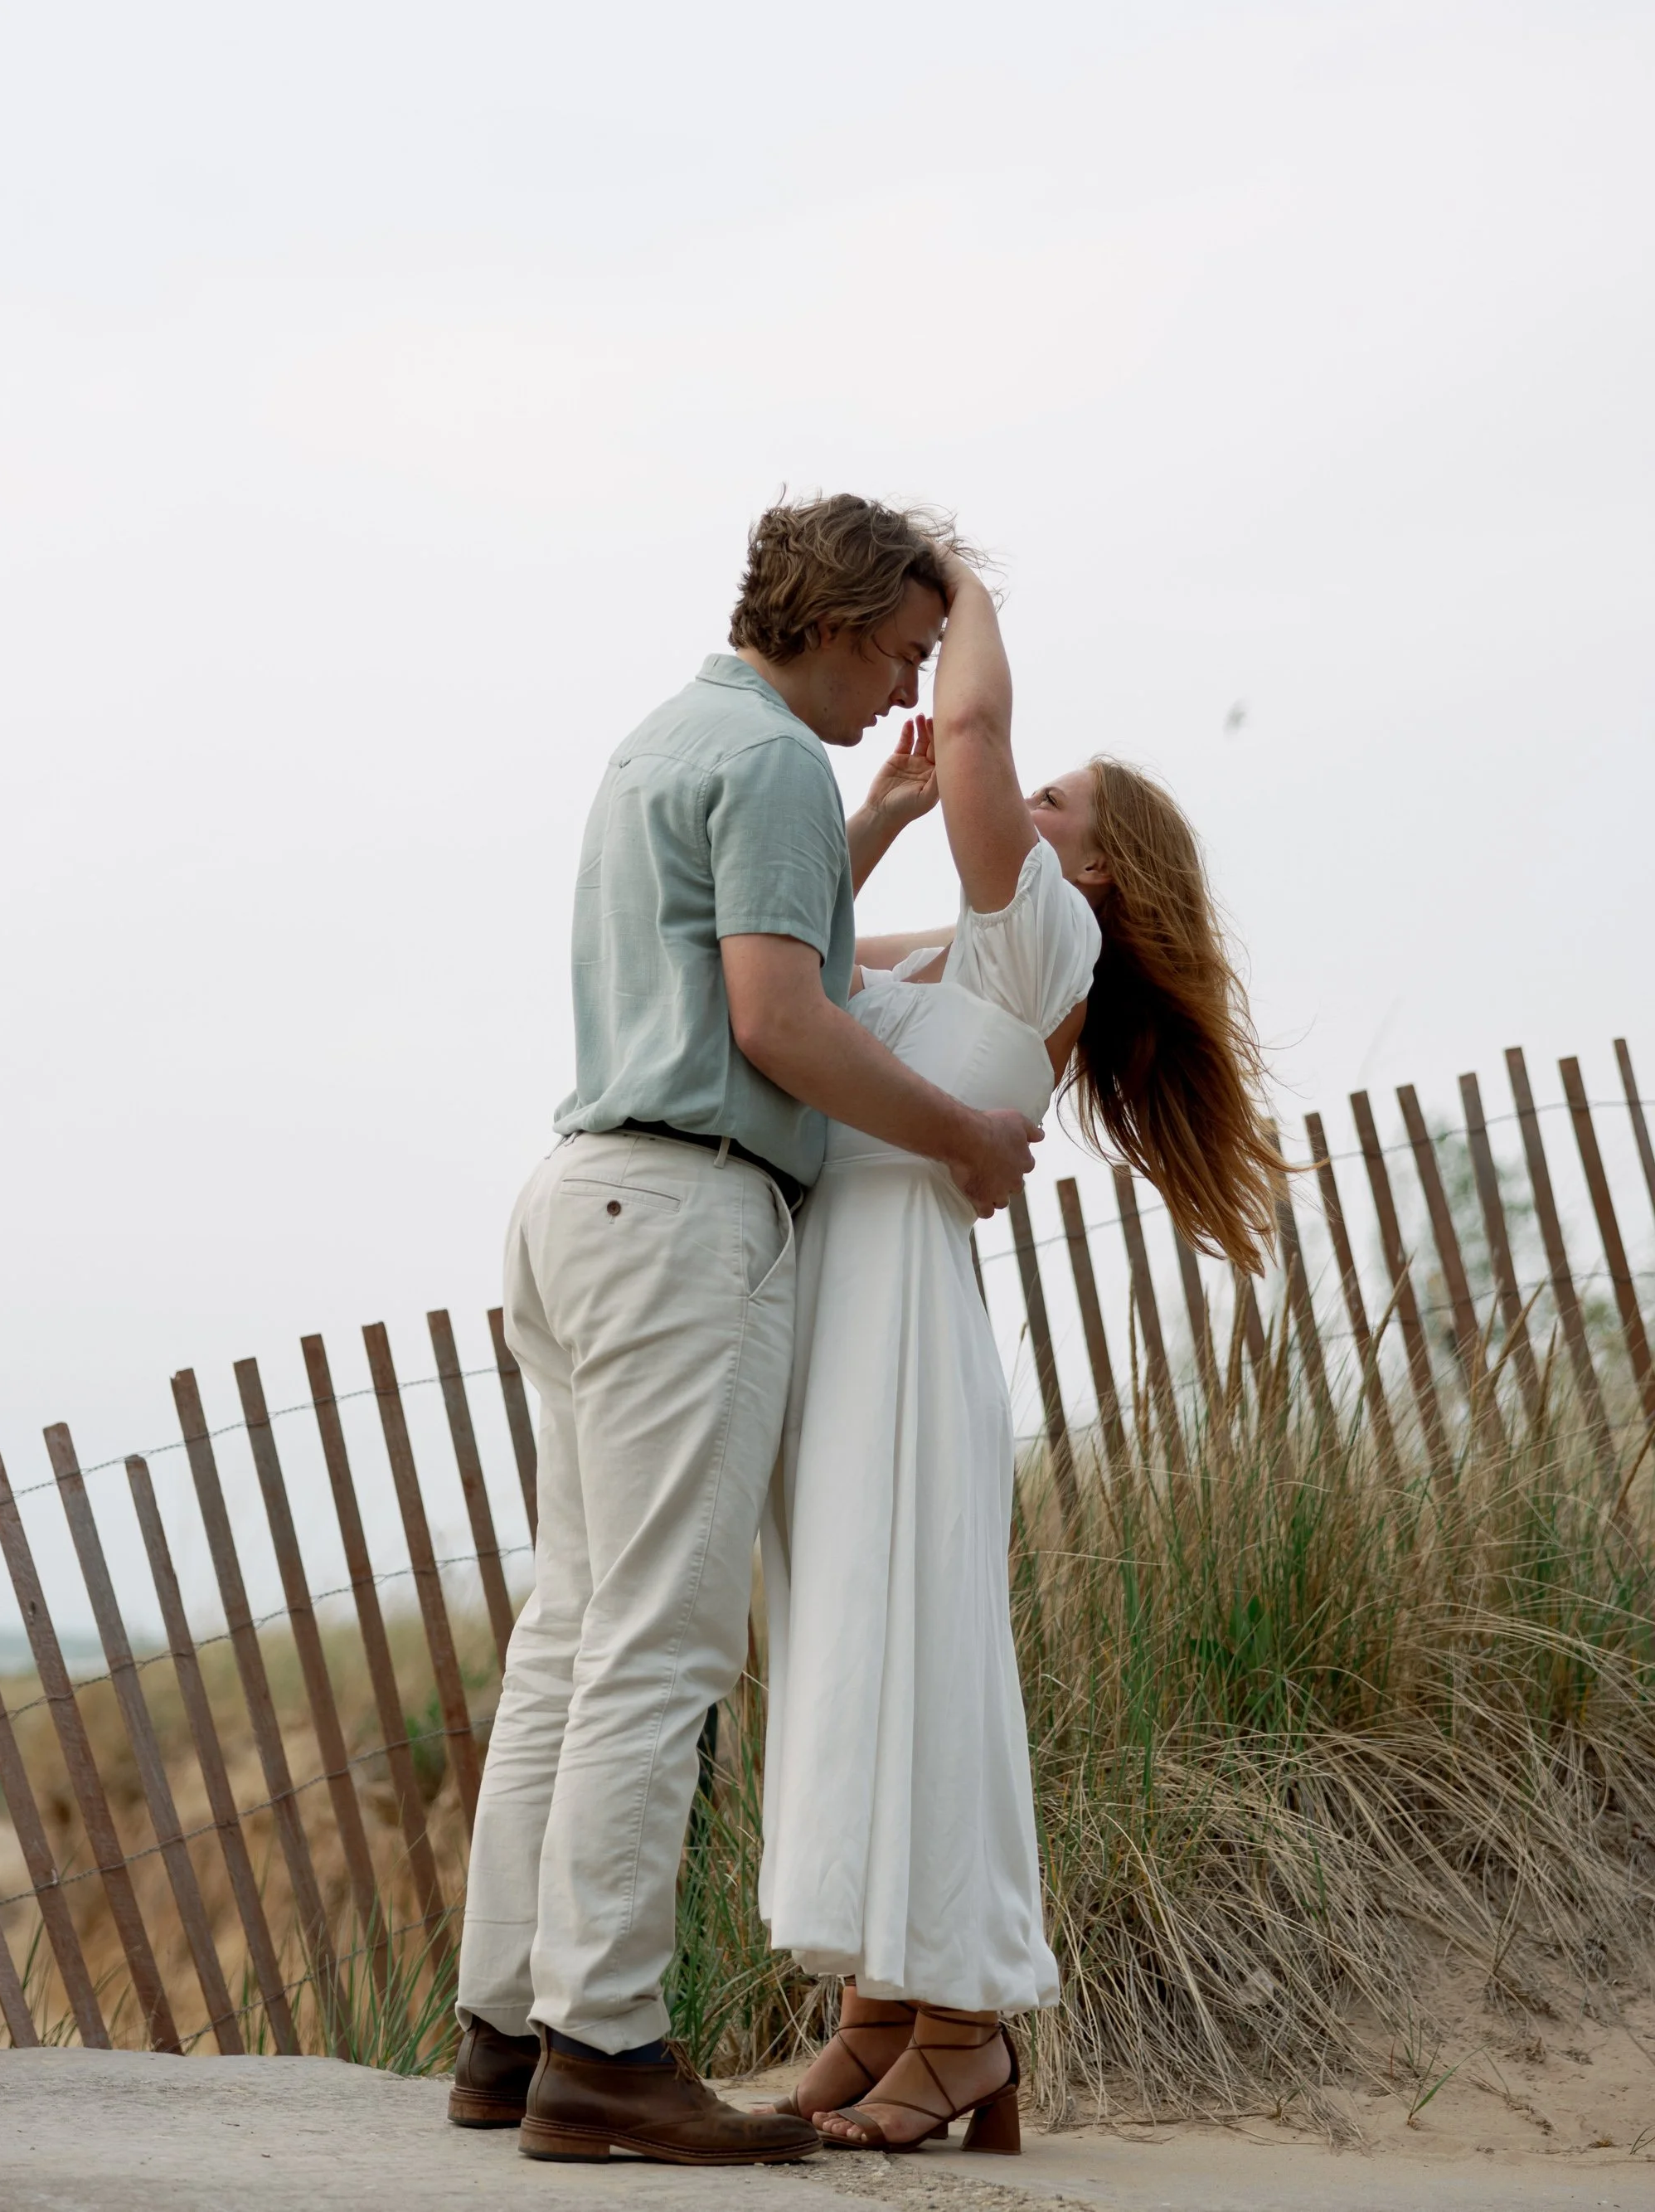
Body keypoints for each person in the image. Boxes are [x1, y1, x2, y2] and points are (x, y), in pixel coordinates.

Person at [447, 495, 1041, 2166]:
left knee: (572, 1633)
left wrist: (877, 823)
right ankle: (606, 2047)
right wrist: (962, 1136)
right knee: (662, 1644)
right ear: (841, 626)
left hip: (579, 1198)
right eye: (903, 650)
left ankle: (506, 2033)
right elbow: (779, 1017)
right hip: (687, 1219)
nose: (907, 682)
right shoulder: (773, 758)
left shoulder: (669, 738)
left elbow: (752, 940)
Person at [758, 556, 1280, 2153]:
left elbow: (975, 731)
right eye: (1033, 795)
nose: (1014, 800)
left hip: (911, 1326)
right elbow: (804, 959)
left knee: (930, 1664)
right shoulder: (970, 946)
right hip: (845, 1318)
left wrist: (953, 574)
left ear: (1098, 868)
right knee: (854, 1654)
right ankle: (879, 2009)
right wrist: (884, 814)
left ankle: (969, 2026)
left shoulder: (1046, 936)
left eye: (1057, 802)